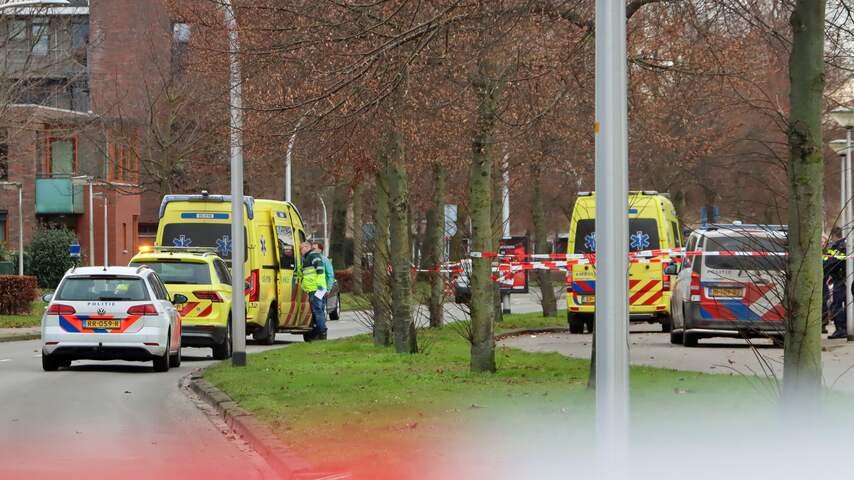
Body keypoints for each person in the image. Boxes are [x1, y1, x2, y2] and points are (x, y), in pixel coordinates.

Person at [299, 241, 328, 341]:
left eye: (301, 248)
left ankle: (322, 332)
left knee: (317, 311)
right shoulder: (308, 257)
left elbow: (320, 270)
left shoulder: (313, 256)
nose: (300, 251)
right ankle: (320, 332)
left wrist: (319, 285)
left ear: (307, 247)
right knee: (318, 310)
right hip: (316, 288)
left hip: (316, 289)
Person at [824, 227, 847, 339]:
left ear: (833, 235)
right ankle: (844, 328)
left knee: (837, 305)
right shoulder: (843, 245)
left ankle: (841, 329)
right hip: (842, 278)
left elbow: (831, 262)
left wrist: (827, 272)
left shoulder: (839, 246)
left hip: (841, 280)